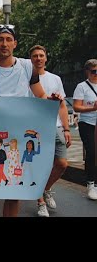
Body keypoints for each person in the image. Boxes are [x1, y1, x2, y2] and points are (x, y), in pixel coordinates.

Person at [0, 24, 62, 217]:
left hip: (18, 138)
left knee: (14, 192)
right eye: (0, 39)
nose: (4, 44)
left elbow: (40, 95)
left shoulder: (28, 67)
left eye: (8, 40)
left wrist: (51, 102)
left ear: (15, 44)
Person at [29, 45, 71, 217]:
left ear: (46, 58)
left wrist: (67, 128)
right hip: (34, 128)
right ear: (30, 59)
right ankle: (40, 203)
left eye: (41, 55)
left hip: (54, 126)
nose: (38, 58)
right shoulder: (24, 78)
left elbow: (61, 105)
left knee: (62, 164)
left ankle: (46, 188)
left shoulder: (55, 79)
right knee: (39, 165)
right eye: (35, 56)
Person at [73, 58, 97, 200]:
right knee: (92, 152)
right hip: (87, 123)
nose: (96, 74)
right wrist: (93, 108)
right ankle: (91, 184)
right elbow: (77, 107)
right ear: (87, 71)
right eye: (94, 71)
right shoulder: (82, 86)